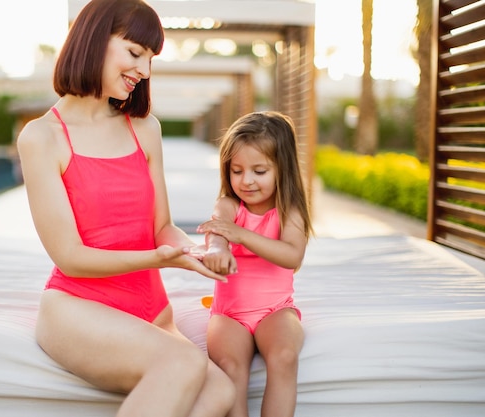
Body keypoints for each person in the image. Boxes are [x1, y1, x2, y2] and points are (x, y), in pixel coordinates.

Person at [16, 1, 236, 416]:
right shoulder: (41, 137)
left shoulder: (145, 129)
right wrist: (159, 260)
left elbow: (163, 228)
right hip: (76, 308)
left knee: (222, 393)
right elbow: (71, 257)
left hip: (150, 307)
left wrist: (194, 252)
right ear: (94, 40)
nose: (145, 71)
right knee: (183, 361)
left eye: (150, 59)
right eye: (135, 53)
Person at [196, 111, 313, 417]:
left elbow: (292, 255)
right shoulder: (228, 206)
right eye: (237, 171)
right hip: (229, 313)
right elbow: (217, 236)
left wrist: (242, 235)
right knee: (231, 367)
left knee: (285, 356)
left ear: (282, 170)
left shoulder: (290, 212)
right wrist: (218, 250)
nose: (246, 181)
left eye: (259, 171)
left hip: (276, 309)